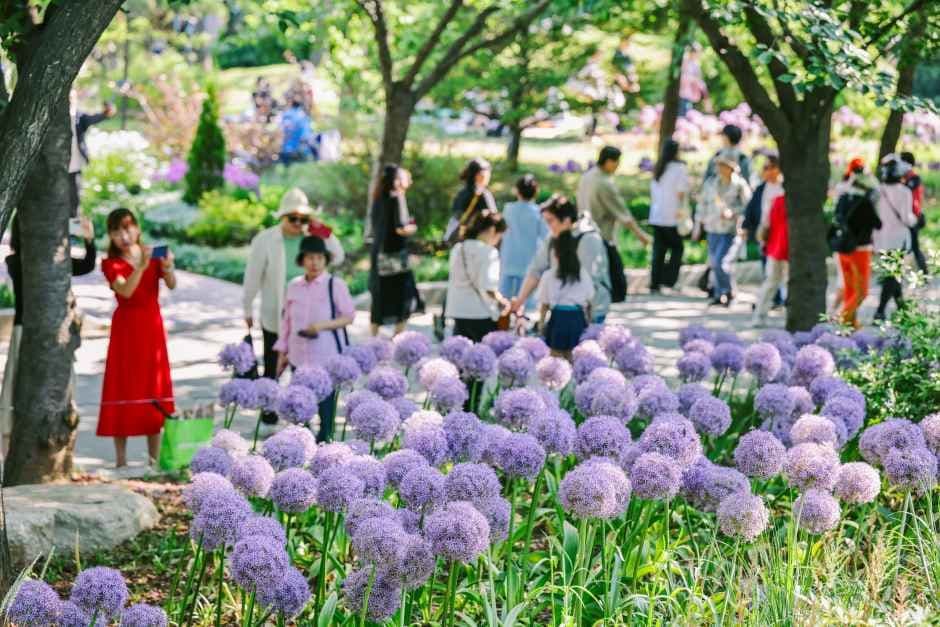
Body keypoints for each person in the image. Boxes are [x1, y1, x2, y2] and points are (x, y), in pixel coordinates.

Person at [244, 188, 345, 427]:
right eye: (293, 219)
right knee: (273, 363)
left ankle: (302, 414)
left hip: (307, 315)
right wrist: (247, 308)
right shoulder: (266, 239)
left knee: (303, 365)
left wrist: (322, 230)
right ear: (282, 217)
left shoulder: (314, 240)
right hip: (275, 313)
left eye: (303, 219)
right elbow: (252, 276)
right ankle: (268, 408)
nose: (298, 224)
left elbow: (338, 256)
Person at [1, 215, 97, 456]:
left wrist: (89, 240)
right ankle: (10, 452)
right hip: (26, 333)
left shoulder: (57, 261)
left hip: (56, 336)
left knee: (60, 394)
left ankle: (59, 452)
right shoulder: (15, 261)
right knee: (17, 392)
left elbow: (86, 265)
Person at [97, 208, 176, 468]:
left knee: (153, 386)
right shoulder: (110, 263)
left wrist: (168, 267)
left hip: (151, 327)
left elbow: (172, 284)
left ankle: (153, 459)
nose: (124, 235)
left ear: (137, 228)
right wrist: (141, 266)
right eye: (117, 230)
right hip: (126, 329)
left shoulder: (152, 256)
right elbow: (126, 290)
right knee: (123, 385)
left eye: (128, 227)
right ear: (110, 235)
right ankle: (121, 461)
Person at [275, 236, 354, 442]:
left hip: (325, 357)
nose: (315, 262)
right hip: (298, 356)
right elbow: (286, 322)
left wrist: (320, 326)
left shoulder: (334, 285)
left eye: (319, 257)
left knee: (326, 411)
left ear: (325, 260)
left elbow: (348, 316)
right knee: (299, 409)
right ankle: (301, 447)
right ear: (302, 260)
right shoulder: (293, 286)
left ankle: (326, 448)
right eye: (310, 257)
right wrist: (282, 353)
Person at [511, 196, 611, 323]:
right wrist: (520, 301)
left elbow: (588, 281)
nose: (548, 227)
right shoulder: (553, 237)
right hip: (563, 310)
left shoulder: (589, 239)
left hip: (590, 311)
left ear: (566, 220)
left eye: (550, 221)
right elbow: (536, 270)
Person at [369, 164, 423, 336]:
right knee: (403, 296)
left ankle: (373, 336)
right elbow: (400, 228)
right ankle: (397, 337)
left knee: (380, 297)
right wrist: (412, 228)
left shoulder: (377, 198)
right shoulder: (397, 198)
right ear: (397, 180)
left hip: (379, 254)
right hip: (395, 256)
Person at [694, 149, 751, 306]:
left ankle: (728, 292)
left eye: (723, 165)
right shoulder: (711, 183)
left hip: (731, 230)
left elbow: (749, 207)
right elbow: (702, 205)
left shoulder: (740, 185)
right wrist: (698, 225)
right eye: (718, 165)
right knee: (714, 263)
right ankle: (720, 294)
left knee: (721, 262)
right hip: (712, 227)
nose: (719, 168)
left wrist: (733, 213)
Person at [445, 210, 510, 342]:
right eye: (499, 236)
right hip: (480, 313)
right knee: (484, 356)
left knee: (460, 354)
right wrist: (503, 301)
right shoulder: (489, 252)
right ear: (492, 230)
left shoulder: (458, 248)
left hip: (458, 310)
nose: (498, 241)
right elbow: (489, 287)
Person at [831, 160, 881, 328]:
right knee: (862, 292)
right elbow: (878, 223)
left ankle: (851, 324)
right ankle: (840, 319)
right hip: (860, 251)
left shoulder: (843, 198)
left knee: (850, 289)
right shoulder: (865, 203)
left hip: (842, 249)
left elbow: (836, 218)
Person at [576, 146, 651, 246]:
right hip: (602, 236)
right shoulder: (604, 183)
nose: (618, 165)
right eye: (617, 161)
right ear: (608, 161)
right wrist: (641, 236)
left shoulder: (586, 176)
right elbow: (623, 213)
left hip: (583, 232)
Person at [873, 154, 917, 322]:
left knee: (891, 274)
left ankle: (901, 309)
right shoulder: (905, 192)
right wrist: (916, 219)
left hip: (881, 238)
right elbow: (907, 218)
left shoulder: (879, 191)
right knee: (892, 275)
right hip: (898, 239)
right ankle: (881, 310)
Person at [538, 231, 595, 357]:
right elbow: (590, 301)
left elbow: (544, 305)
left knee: (555, 361)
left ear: (555, 252)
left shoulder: (549, 275)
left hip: (558, 319)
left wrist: (541, 324)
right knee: (576, 357)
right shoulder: (582, 274)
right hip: (577, 318)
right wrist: (590, 322)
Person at [742, 153, 785, 306]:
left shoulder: (784, 188)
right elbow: (750, 209)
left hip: (781, 235)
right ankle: (774, 298)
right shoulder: (761, 188)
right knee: (767, 267)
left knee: (777, 270)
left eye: (769, 167)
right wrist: (746, 227)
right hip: (765, 234)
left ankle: (776, 298)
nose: (766, 171)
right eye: (764, 168)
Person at [500, 174, 548, 309]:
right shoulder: (538, 213)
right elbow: (546, 237)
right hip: (529, 262)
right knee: (527, 301)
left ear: (517, 190)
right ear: (536, 192)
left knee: (503, 300)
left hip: (508, 259)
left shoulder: (508, 209)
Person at [648, 139, 689, 293]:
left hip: (657, 215)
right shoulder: (679, 169)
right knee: (677, 248)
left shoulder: (658, 168)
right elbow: (680, 193)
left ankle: (655, 282)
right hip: (672, 216)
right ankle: (670, 279)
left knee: (659, 250)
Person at [69, 91, 115, 217]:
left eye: (71, 97)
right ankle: (61, 234)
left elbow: (96, 117)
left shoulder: (80, 117)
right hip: (57, 167)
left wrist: (107, 111)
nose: (69, 100)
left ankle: (74, 233)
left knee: (75, 202)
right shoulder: (54, 117)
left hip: (74, 166)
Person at [751, 195, 789, 327]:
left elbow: (766, 223)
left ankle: (759, 316)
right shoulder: (785, 201)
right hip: (784, 248)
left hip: (776, 248)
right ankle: (788, 317)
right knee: (786, 284)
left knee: (770, 283)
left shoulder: (777, 200)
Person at [445, 158, 498, 244]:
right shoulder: (483, 194)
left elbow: (456, 215)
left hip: (460, 240)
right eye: (488, 172)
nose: (489, 175)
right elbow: (494, 219)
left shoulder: (461, 193)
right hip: (478, 241)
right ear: (479, 175)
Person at [900, 152, 927, 274]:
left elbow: (906, 191)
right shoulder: (905, 178)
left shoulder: (914, 178)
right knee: (902, 246)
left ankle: (924, 272)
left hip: (912, 217)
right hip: (905, 216)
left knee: (914, 246)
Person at [279, 97, 314, 166]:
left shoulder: (287, 114)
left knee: (287, 155)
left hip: (290, 142)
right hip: (302, 141)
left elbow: (284, 128)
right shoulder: (302, 114)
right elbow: (307, 129)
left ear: (291, 104)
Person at [678, 44, 709, 117]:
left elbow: (698, 79)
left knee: (687, 113)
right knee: (683, 115)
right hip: (683, 94)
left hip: (690, 95)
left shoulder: (696, 64)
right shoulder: (685, 62)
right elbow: (683, 78)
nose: (698, 55)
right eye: (697, 52)